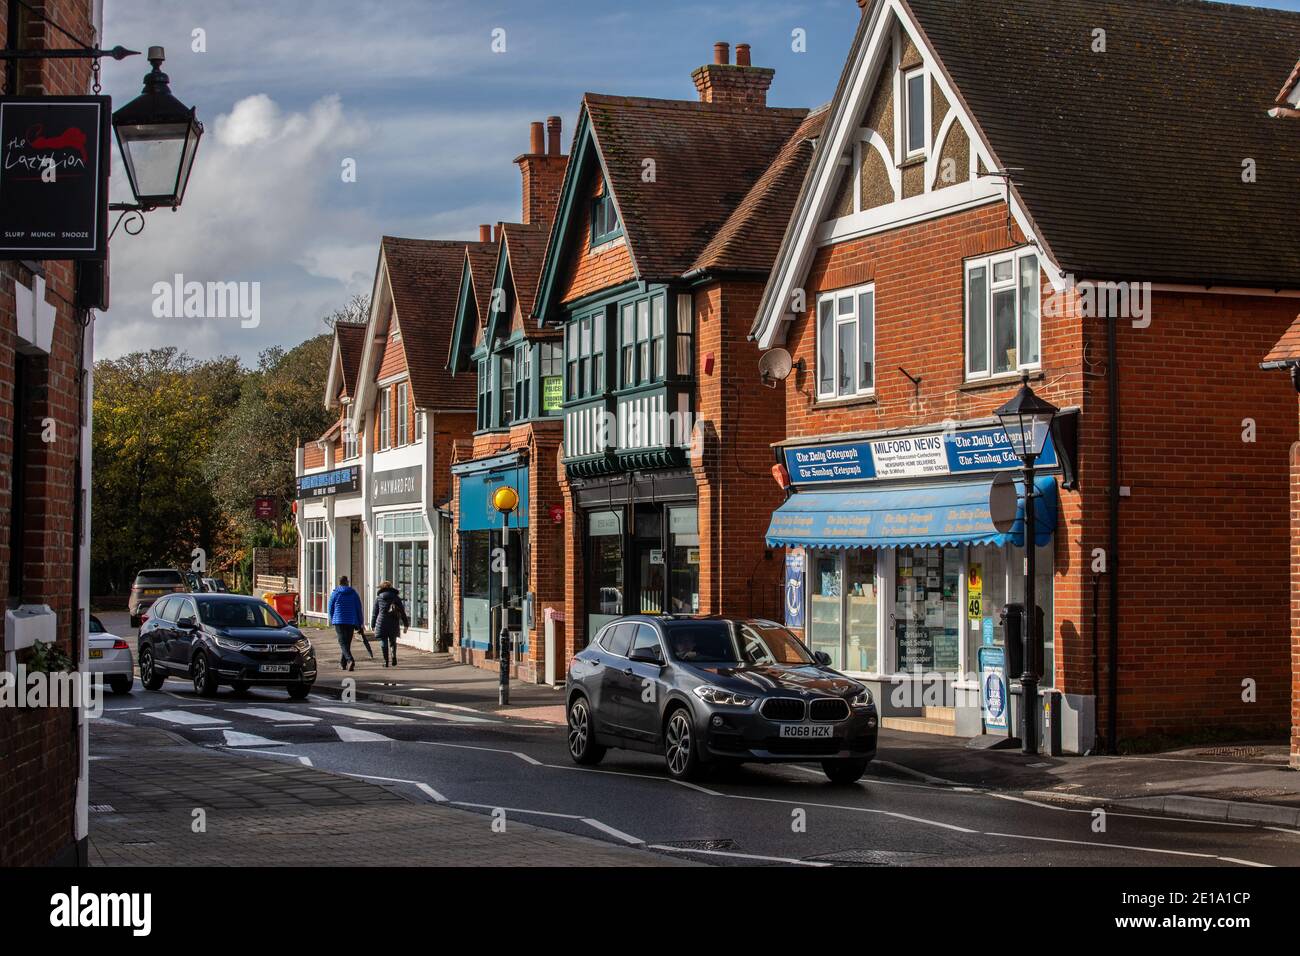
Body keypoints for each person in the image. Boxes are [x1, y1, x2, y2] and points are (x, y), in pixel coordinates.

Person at [328, 575, 363, 671]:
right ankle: (343, 664)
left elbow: (330, 607)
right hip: (351, 620)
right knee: (346, 642)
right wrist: (360, 622)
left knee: (342, 642)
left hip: (339, 620)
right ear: (347, 582)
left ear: (339, 583)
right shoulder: (353, 593)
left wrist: (332, 618)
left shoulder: (335, 593)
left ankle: (350, 660)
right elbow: (358, 609)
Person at [371, 580, 409, 667]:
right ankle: (393, 656)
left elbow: (375, 613)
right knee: (393, 641)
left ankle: (386, 661)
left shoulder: (379, 598)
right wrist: (406, 624)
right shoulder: (396, 597)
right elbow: (402, 611)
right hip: (393, 622)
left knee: (383, 641)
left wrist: (373, 625)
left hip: (382, 622)